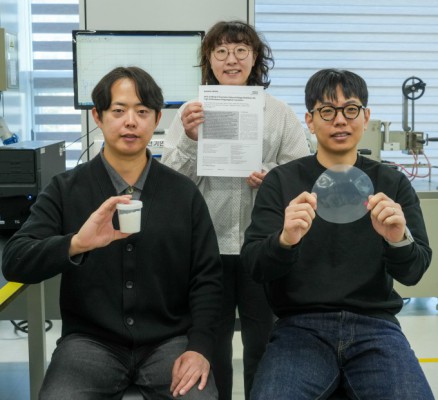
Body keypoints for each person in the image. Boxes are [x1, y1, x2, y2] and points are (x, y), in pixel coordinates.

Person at [2, 66, 223, 400]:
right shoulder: (65, 189)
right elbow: (15, 261)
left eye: (142, 112)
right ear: (98, 116)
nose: (130, 122)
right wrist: (76, 244)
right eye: (118, 111)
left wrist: (200, 347)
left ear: (157, 118)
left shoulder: (183, 193)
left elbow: (207, 278)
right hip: (89, 344)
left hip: (169, 343)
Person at [241, 68, 434, 399]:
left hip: (376, 327)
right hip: (300, 328)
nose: (340, 120)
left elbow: (414, 271)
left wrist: (397, 239)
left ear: (366, 117)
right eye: (327, 111)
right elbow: (255, 266)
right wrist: (285, 240)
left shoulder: (392, 184)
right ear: (310, 120)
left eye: (351, 109)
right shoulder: (282, 182)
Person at [161, 20, 310, 400]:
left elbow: (301, 175)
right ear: (208, 60)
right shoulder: (190, 114)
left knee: (264, 340)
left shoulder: (279, 113)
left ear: (255, 57)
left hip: (263, 247)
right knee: (211, 344)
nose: (232, 59)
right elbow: (171, 185)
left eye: (241, 50)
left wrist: (272, 177)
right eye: (222, 51)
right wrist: (191, 141)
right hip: (207, 249)